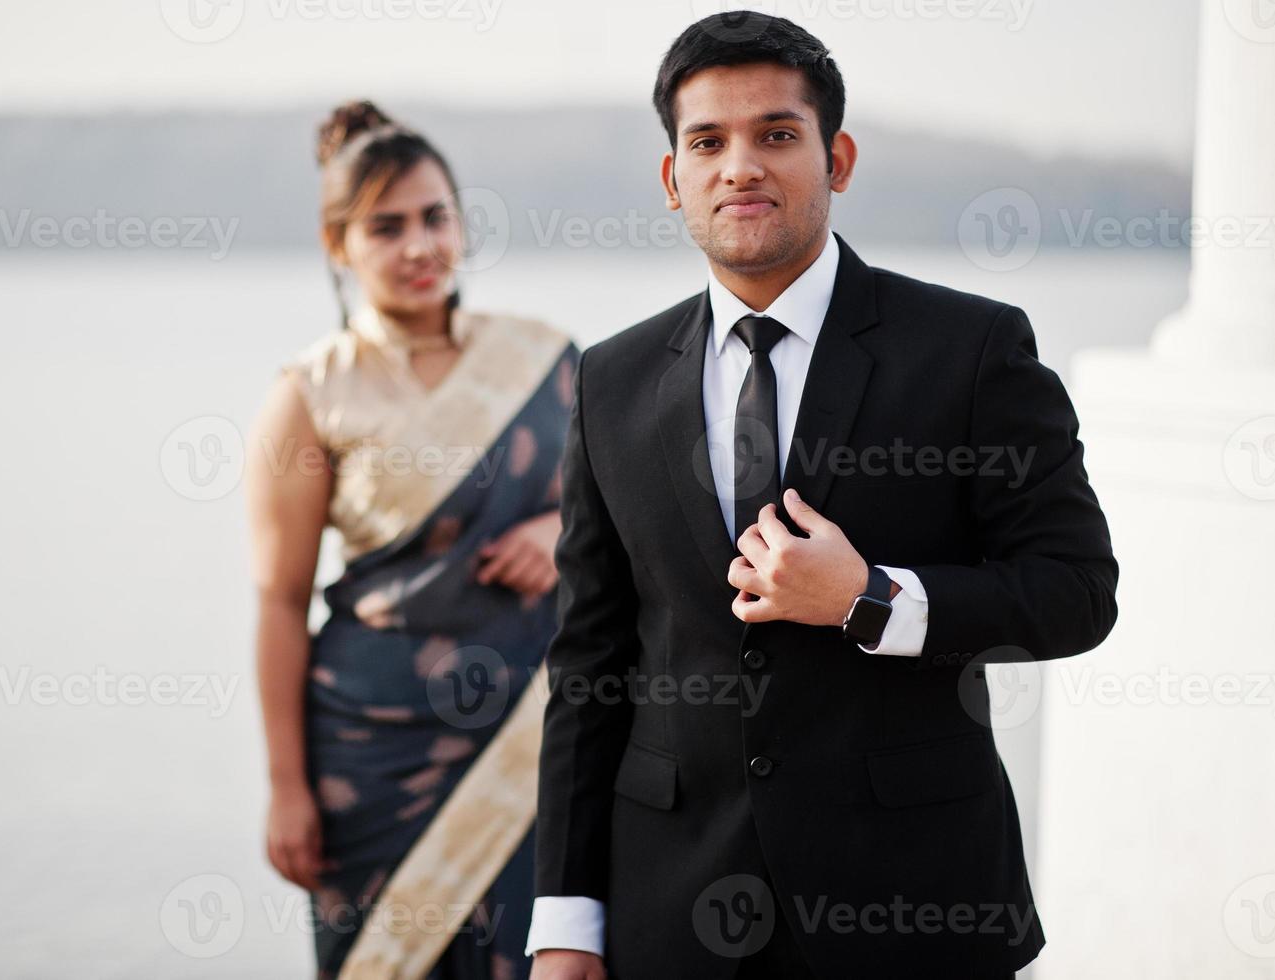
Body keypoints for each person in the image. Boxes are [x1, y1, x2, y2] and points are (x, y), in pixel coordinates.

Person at [527, 14, 1118, 980]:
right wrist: (565, 918)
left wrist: (867, 599)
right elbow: (588, 666)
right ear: (673, 178)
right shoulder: (611, 380)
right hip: (672, 914)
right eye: (707, 143)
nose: (740, 167)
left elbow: (1075, 593)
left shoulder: (971, 351)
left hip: (914, 909)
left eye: (777, 134)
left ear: (836, 158)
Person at [246, 99, 578, 979]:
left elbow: (635, 519)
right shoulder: (311, 393)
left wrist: (561, 529)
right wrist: (287, 787)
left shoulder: (545, 358)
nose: (420, 246)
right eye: (385, 227)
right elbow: (279, 601)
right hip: (373, 745)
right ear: (336, 245)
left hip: (538, 728)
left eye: (435, 217)